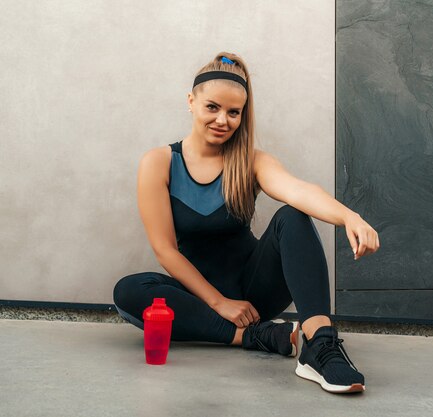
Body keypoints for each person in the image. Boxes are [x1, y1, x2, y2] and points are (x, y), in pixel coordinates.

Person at [112, 52, 380, 394]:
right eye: (212, 107)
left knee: (292, 215)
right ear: (191, 102)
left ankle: (319, 343)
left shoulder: (251, 161)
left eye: (234, 112)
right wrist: (218, 303)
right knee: (129, 291)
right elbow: (165, 250)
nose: (223, 120)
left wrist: (349, 217)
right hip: (198, 296)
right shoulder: (159, 162)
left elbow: (298, 191)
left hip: (255, 296)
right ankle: (258, 337)